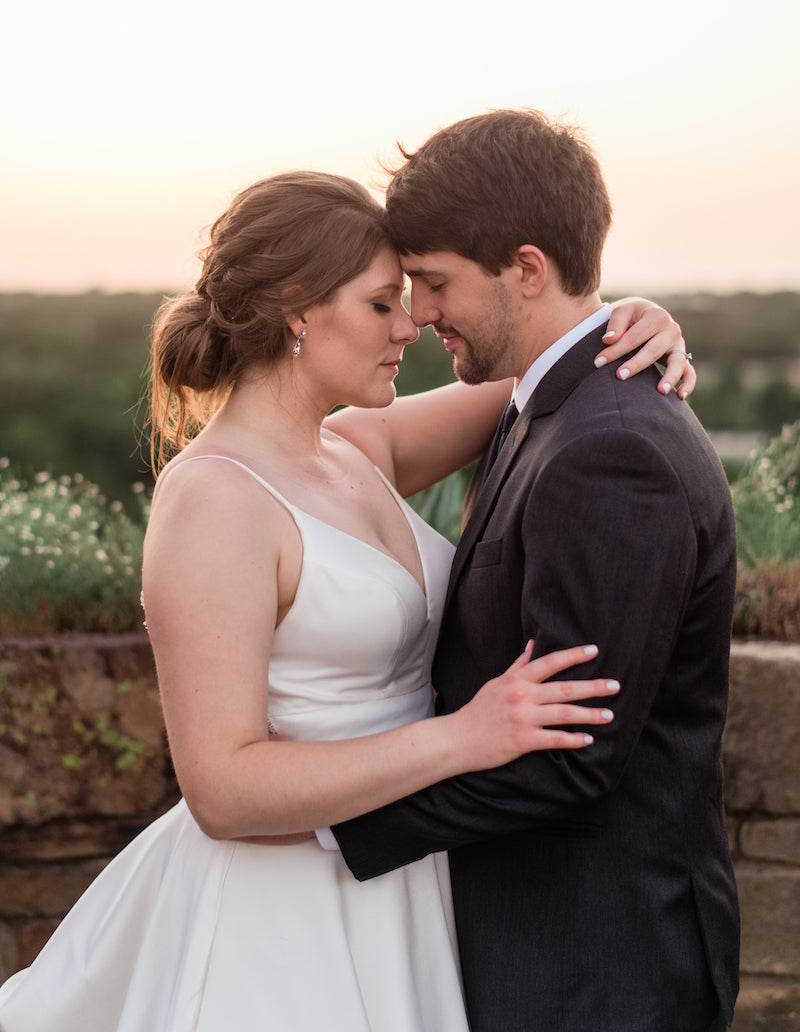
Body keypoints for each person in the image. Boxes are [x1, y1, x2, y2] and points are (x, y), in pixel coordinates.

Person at [0, 169, 691, 1032]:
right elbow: (222, 788)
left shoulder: (358, 445)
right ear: (296, 306)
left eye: (410, 299)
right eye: (381, 305)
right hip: (280, 913)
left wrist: (632, 319)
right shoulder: (214, 499)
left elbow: (542, 362)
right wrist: (463, 736)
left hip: (404, 887)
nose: (411, 326)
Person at [330, 111, 740, 1032]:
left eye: (434, 283)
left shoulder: (612, 448)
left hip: (594, 968)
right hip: (543, 952)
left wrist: (330, 827)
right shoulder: (546, 401)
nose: (421, 312)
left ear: (525, 268)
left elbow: (573, 755)